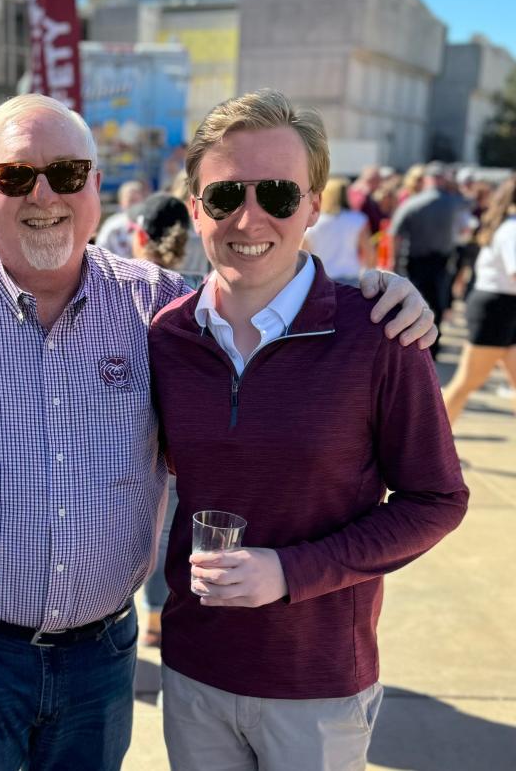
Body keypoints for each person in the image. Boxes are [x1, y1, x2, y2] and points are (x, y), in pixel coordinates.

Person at [0, 93, 436, 771]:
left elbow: (262, 291)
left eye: (68, 174)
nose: (43, 195)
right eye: (16, 175)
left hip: (101, 662)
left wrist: (379, 297)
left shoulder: (161, 310)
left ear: (96, 186)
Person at [148, 89, 468, 771]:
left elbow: (437, 500)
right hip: (194, 668)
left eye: (279, 195)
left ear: (315, 205)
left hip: (316, 684)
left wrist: (291, 572)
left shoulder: (380, 333)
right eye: (227, 192)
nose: (250, 216)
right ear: (196, 207)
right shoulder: (165, 337)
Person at [126, 193, 191, 647]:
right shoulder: (205, 289)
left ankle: (150, 620)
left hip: (139, 439)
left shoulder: (128, 293)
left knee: (153, 532)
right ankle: (164, 618)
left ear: (139, 236)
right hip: (185, 440)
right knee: (171, 534)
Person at [442, 176, 516, 424]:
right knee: (466, 383)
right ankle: (425, 446)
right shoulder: (512, 228)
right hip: (496, 308)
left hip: (504, 306)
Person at [391, 161, 471, 356]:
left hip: (416, 259)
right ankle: (432, 345)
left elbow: (395, 233)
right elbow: (468, 222)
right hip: (440, 261)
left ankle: (414, 343)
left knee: (414, 300)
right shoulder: (454, 202)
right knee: (437, 301)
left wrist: (394, 260)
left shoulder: (413, 203)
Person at [303, 176, 374, 286]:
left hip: (321, 280)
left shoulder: (314, 222)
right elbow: (369, 252)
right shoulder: (358, 219)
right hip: (350, 280)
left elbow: (303, 253)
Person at [95, 179, 146, 257]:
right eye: (130, 200)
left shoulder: (147, 223)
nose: (134, 205)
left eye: (137, 200)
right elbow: (100, 248)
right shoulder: (113, 224)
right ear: (122, 202)